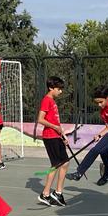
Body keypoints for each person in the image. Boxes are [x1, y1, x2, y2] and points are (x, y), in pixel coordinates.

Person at [66, 85, 108, 186]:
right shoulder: (103, 111)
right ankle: (79, 173)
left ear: (107, 98)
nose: (99, 105)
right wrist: (99, 135)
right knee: (95, 150)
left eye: (101, 102)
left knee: (104, 152)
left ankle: (107, 173)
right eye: (97, 103)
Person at [37, 76, 70, 207]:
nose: (60, 91)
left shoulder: (52, 101)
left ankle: (58, 192)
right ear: (51, 88)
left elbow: (56, 121)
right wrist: (55, 127)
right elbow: (40, 119)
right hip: (50, 136)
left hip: (57, 136)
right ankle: (45, 194)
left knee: (65, 162)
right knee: (56, 164)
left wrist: (63, 135)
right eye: (59, 89)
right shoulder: (46, 100)